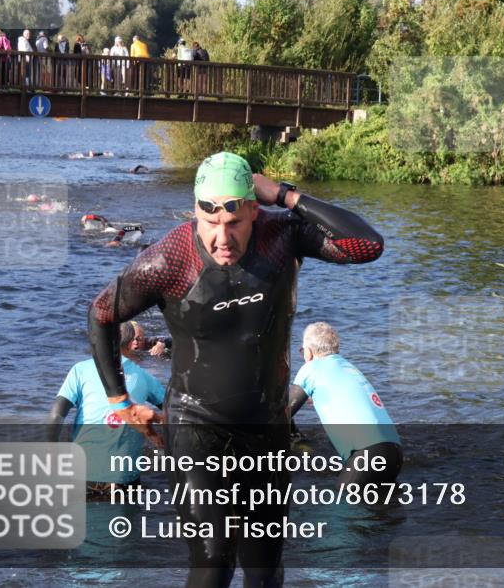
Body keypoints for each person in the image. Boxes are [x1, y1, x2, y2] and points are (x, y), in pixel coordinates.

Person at [87, 152, 384, 586]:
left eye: (234, 223)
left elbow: (367, 246)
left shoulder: (281, 237)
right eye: (210, 224)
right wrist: (121, 401)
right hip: (195, 427)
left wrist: (286, 195)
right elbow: (100, 316)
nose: (221, 239)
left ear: (253, 210)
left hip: (266, 430)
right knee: (213, 563)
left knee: (264, 570)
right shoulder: (168, 259)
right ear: (196, 213)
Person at [47, 321, 166, 500]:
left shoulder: (80, 370)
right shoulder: (144, 376)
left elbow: (56, 416)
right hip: (123, 478)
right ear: (129, 343)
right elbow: (174, 410)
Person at [288, 322, 402, 487]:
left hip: (368, 454)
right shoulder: (348, 367)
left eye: (302, 350)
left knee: (342, 507)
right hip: (395, 453)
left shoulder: (311, 368)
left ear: (309, 352)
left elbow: (282, 414)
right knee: (384, 509)